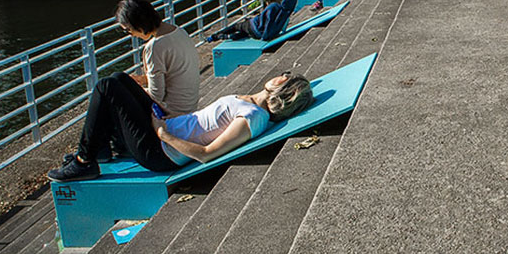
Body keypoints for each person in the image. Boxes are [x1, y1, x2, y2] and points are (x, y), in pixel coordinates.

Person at [46, 71, 313, 182]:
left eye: (286, 76)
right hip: (167, 126)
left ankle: (84, 160)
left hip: (159, 151)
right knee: (120, 79)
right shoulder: (251, 103)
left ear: (282, 87)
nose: (282, 74)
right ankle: (98, 150)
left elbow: (206, 153)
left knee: (107, 87)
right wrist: (167, 115)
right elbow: (203, 121)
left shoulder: (254, 117)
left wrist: (163, 132)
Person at [116, 0, 199, 117]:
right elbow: (175, 74)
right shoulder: (179, 31)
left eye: (128, 30)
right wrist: (145, 80)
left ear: (138, 24)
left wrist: (132, 89)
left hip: (171, 113)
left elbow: (156, 97)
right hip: (190, 107)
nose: (131, 35)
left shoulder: (154, 47)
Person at [206, 0, 298, 42]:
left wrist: (264, 36)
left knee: (237, 26)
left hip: (253, 26)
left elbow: (269, 20)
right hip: (257, 34)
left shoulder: (274, 6)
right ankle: (231, 36)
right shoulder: (286, 15)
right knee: (246, 34)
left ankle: (215, 36)